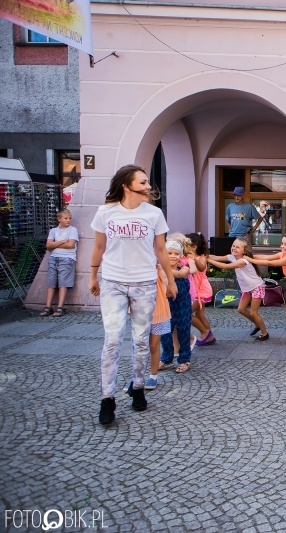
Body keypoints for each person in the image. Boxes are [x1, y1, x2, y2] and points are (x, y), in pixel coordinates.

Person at [89, 164, 177, 426]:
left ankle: (137, 387)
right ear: (126, 186)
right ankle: (107, 398)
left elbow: (161, 250)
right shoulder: (106, 212)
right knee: (112, 340)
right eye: (142, 183)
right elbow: (99, 246)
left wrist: (170, 280)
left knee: (140, 341)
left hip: (144, 283)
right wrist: (93, 275)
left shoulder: (154, 214)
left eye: (148, 182)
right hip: (113, 282)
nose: (148, 187)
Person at [208, 238, 269, 341]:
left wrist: (208, 260)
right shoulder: (232, 257)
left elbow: (225, 266)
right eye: (233, 246)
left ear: (244, 251)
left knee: (254, 312)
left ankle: (264, 333)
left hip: (256, 287)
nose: (234, 248)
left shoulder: (243, 261)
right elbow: (217, 257)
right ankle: (257, 324)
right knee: (241, 309)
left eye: (237, 247)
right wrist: (203, 256)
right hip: (247, 288)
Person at [158, 237, 193, 373]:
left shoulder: (184, 268)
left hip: (183, 304)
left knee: (184, 330)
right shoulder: (160, 267)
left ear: (180, 256)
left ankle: (184, 359)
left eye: (176, 253)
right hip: (166, 304)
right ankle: (167, 357)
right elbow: (166, 276)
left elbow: (182, 273)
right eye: (169, 253)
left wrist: (168, 271)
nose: (173, 256)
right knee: (165, 332)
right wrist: (170, 272)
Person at [41, 208, 79, 317]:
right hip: (54, 258)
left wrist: (55, 244)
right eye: (66, 218)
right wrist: (62, 241)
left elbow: (70, 245)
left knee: (63, 282)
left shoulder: (73, 230)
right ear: (59, 219)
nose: (68, 220)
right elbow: (48, 246)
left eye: (70, 218)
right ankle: (48, 307)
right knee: (51, 282)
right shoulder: (53, 231)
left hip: (67, 259)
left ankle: (60, 307)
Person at [145, 265, 171, 390]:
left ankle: (153, 376)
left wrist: (170, 285)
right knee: (140, 345)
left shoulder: (158, 267)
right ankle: (137, 376)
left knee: (154, 344)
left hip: (158, 309)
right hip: (140, 310)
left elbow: (166, 279)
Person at [186, 232, 215, 346]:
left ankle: (205, 332)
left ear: (194, 246)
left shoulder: (201, 257)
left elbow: (202, 267)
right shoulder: (187, 257)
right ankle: (209, 336)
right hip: (194, 290)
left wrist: (193, 258)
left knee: (186, 313)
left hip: (202, 291)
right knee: (199, 315)